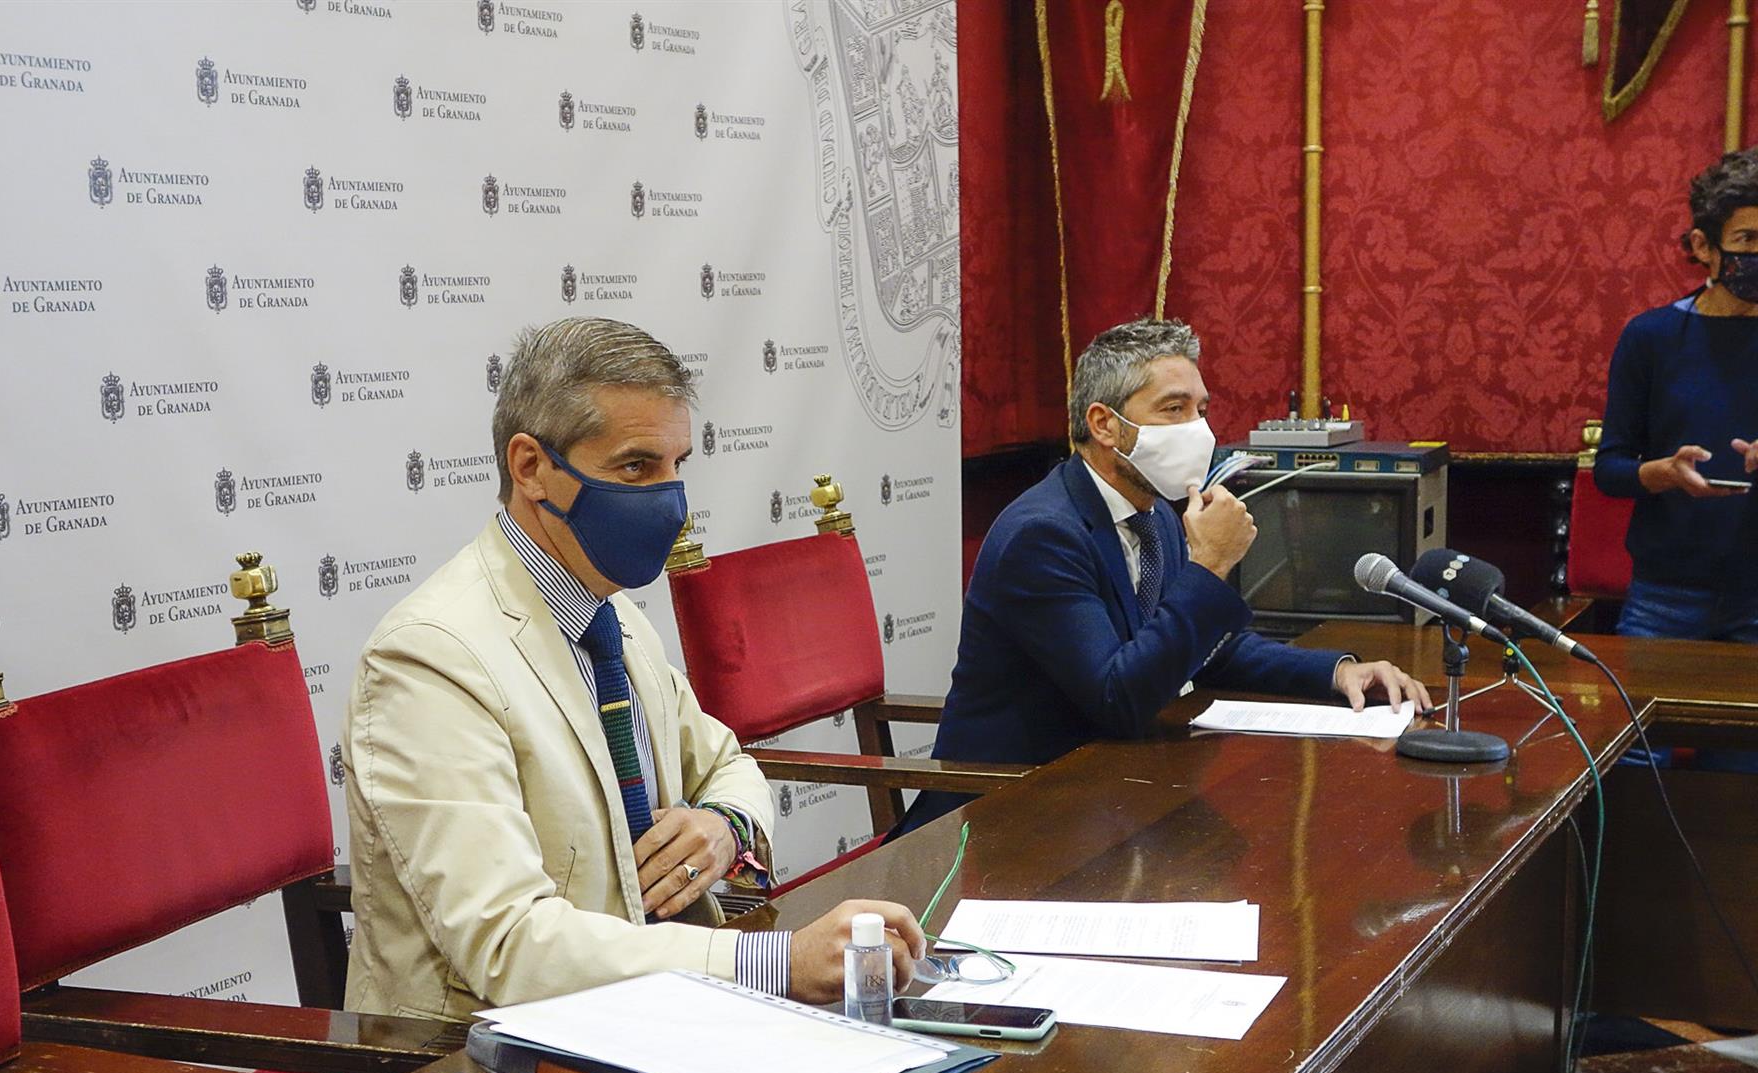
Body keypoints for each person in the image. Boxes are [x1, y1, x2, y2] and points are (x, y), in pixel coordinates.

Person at [342, 317, 923, 1019]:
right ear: (530, 468)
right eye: (636, 467)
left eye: (678, 465)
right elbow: (510, 946)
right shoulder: (430, 657)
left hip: (653, 1017)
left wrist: (722, 826)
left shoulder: (610, 614)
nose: (670, 499)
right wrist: (772, 963)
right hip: (488, 1065)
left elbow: (724, 762)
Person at [899, 318, 1428, 835]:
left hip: (1107, 790)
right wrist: (1211, 565)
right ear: (1105, 424)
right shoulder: (1042, 535)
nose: (1198, 429)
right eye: (1173, 409)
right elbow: (1118, 699)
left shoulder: (1153, 516)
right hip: (1006, 813)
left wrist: (1334, 673)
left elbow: (1212, 649)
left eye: (1201, 410)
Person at [1595, 146, 1758, 649]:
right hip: (1664, 597)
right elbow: (1610, 469)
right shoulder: (1652, 337)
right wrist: (1664, 473)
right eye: (1747, 240)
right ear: (1703, 246)